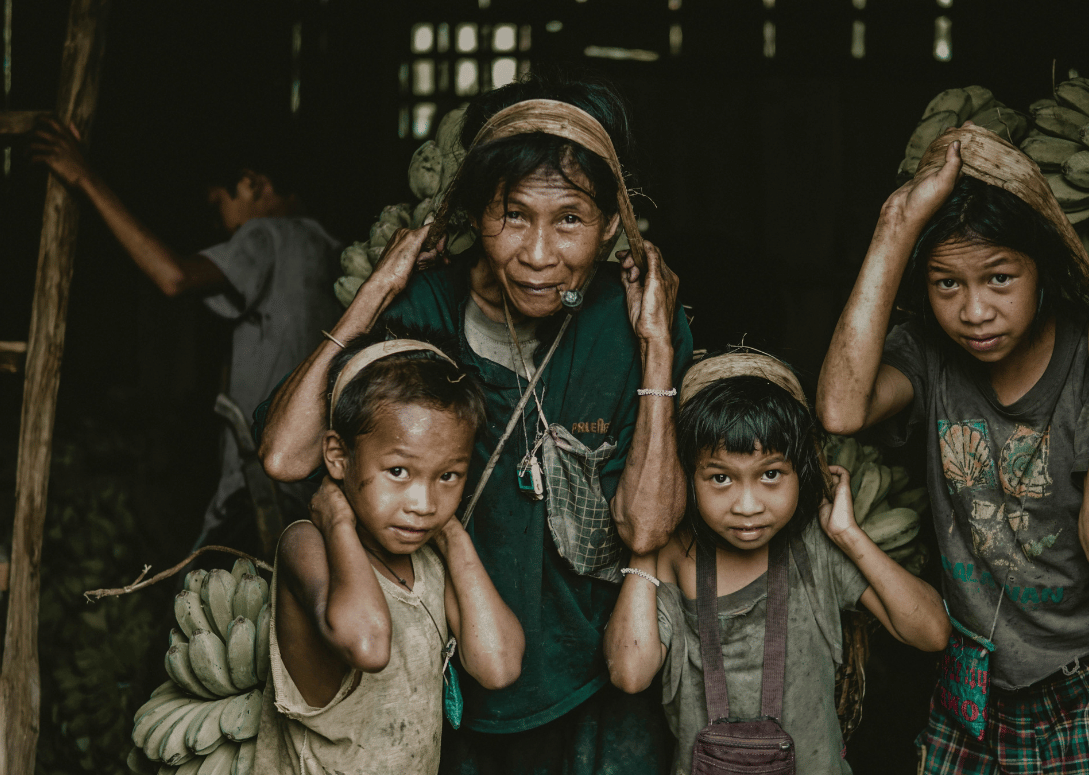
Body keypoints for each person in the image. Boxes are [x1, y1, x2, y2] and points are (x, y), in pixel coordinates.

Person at [256, 72, 692, 773]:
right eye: (512, 216)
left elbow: (645, 529)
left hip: (594, 679)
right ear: (472, 213)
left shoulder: (630, 324)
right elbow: (284, 455)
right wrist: (376, 292)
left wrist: (658, 351)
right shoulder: (424, 307)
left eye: (570, 220)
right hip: (443, 681)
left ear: (612, 226)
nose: (540, 254)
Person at [816, 127, 1089, 773]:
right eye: (945, 283)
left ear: (1040, 271)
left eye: (999, 277)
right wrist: (894, 226)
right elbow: (840, 409)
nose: (975, 311)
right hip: (975, 675)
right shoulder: (928, 354)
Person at [604, 353, 949, 775]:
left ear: (801, 473)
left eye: (770, 475)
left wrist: (849, 535)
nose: (747, 506)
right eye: (720, 478)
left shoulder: (815, 551)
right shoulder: (674, 558)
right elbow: (629, 674)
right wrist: (647, 539)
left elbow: (932, 634)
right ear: (686, 480)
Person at [31, 121, 342, 550]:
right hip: (311, 485)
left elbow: (173, 276)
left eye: (219, 205)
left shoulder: (266, 236)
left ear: (252, 184)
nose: (222, 227)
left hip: (262, 486)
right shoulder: (329, 249)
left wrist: (85, 177)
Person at [255, 331, 524, 774]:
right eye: (398, 471)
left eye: (448, 476)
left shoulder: (432, 561)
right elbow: (368, 644)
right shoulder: (306, 544)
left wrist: (452, 534)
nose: (422, 503)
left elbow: (497, 666)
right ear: (339, 457)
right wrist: (337, 521)